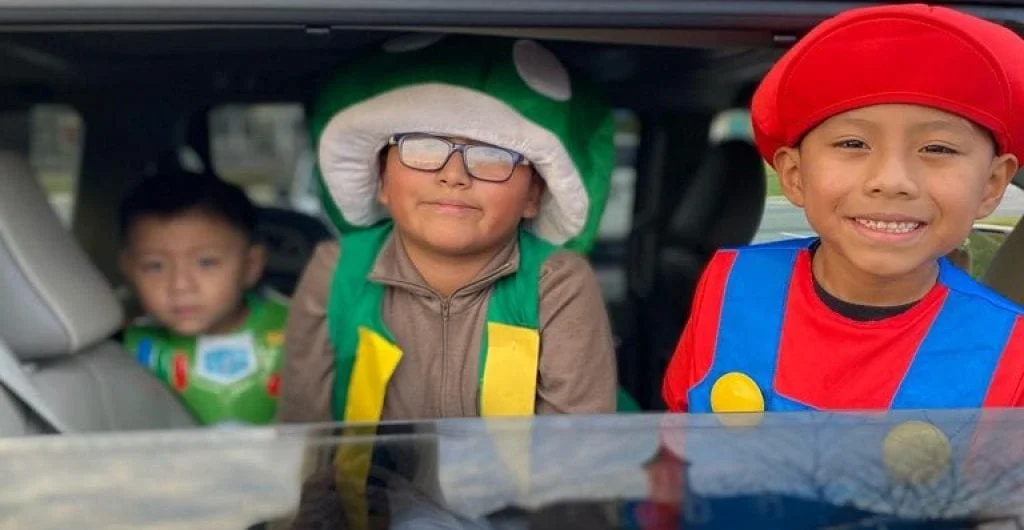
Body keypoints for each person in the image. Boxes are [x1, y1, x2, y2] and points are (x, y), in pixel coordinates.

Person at [663, 3, 1024, 414]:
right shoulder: (732, 282)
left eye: (938, 149)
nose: (891, 180)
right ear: (795, 175)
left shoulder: (1011, 351)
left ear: (992, 185)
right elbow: (680, 431)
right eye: (853, 144)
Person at [277, 34, 620, 425]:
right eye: (422, 147)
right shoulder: (338, 271)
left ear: (533, 195)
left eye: (493, 155)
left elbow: (576, 446)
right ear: (381, 180)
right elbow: (301, 430)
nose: (453, 175)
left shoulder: (556, 282)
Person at [119, 171, 287, 425]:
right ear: (129, 270)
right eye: (155, 266)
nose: (180, 286)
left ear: (250, 266)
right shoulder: (127, 353)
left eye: (206, 263)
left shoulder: (298, 333)